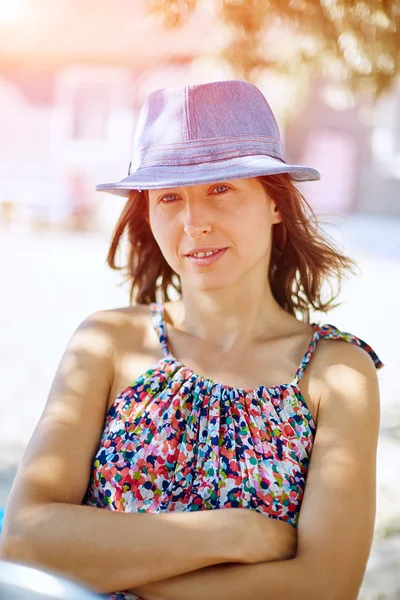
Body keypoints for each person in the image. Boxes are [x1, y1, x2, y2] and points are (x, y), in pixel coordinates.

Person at [0, 80, 383, 600]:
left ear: (275, 202)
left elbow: (325, 587)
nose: (193, 222)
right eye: (169, 197)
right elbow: (23, 542)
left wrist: (107, 566)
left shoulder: (335, 373)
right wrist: (231, 532)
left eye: (221, 189)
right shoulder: (106, 343)